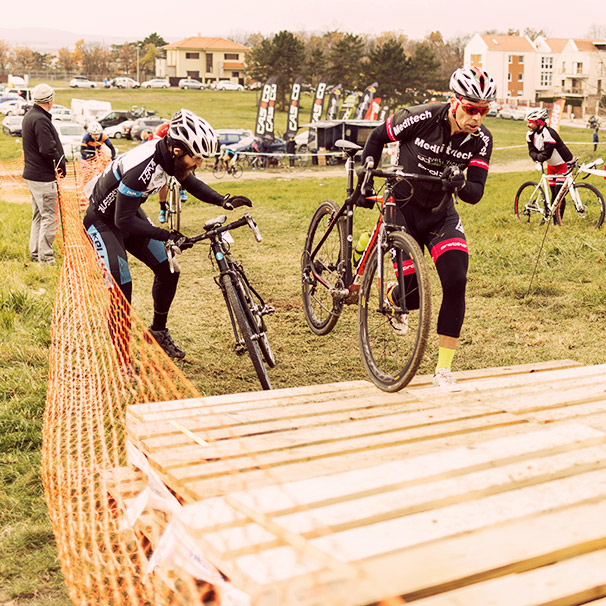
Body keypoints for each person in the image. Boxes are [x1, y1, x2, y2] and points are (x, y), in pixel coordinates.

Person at [361, 66, 496, 390]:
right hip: (402, 207)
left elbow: (475, 193)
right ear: (454, 101)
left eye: (483, 111)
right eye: (470, 109)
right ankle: (395, 298)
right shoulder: (421, 117)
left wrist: (460, 183)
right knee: (414, 296)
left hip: (440, 214)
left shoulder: (482, 140)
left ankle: (444, 369)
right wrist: (366, 178)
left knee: (456, 279)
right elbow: (378, 136)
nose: (476, 118)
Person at [82, 108, 252, 360]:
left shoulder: (170, 157)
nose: (199, 163)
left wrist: (222, 200)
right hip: (103, 221)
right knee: (122, 285)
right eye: (196, 158)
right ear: (177, 150)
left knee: (169, 269)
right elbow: (122, 220)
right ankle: (121, 359)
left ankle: (157, 333)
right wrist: (166, 235)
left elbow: (189, 181)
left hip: (127, 213)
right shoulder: (143, 167)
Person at [21, 83, 66, 265]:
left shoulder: (31, 116)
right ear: (50, 100)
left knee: (39, 216)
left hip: (33, 175)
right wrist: (59, 166)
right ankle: (46, 258)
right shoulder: (40, 119)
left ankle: (36, 253)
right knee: (48, 216)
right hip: (42, 177)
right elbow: (47, 150)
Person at [525, 107, 573, 220]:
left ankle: (558, 221)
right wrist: (537, 157)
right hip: (551, 166)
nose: (528, 125)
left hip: (563, 165)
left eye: (530, 122)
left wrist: (538, 157)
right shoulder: (530, 135)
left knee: (559, 194)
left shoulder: (549, 133)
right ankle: (552, 217)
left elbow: (546, 154)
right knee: (552, 193)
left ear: (539, 122)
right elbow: (531, 152)